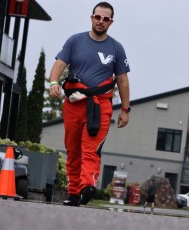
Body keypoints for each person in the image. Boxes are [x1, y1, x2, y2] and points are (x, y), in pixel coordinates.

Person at [49, 2, 130, 207]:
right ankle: (74, 193)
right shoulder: (75, 41)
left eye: (105, 19)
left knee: (90, 149)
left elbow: (122, 80)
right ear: (91, 17)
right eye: (98, 17)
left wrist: (125, 110)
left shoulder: (116, 48)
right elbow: (59, 65)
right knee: (73, 149)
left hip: (100, 105)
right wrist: (53, 83)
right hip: (74, 103)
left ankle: (88, 187)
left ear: (111, 22)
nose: (100, 21)